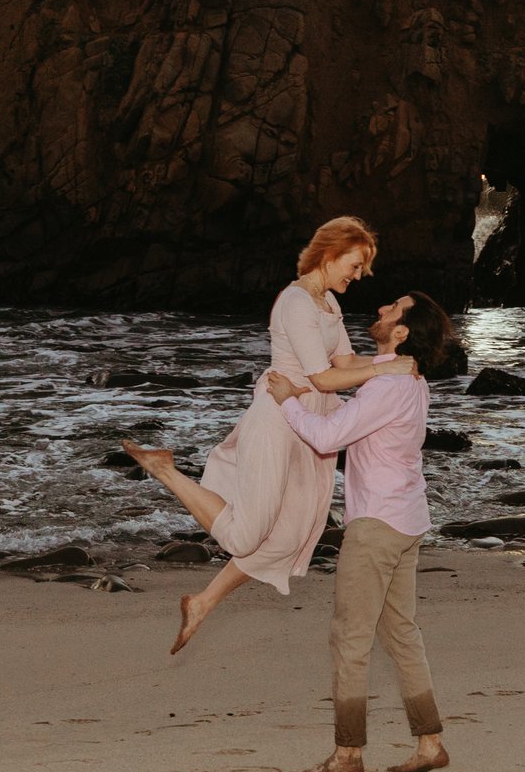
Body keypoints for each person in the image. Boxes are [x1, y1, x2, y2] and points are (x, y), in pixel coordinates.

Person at [123, 217, 413, 654]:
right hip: (279, 416)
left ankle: (201, 602)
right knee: (244, 537)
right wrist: (387, 368)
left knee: (288, 534)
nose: (357, 277)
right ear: (330, 254)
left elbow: (346, 360)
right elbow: (321, 376)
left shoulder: (328, 303)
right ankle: (165, 470)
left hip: (309, 421)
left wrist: (397, 363)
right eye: (353, 266)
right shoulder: (296, 302)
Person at [268, 290, 463, 772]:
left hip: (377, 524)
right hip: (407, 518)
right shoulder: (408, 380)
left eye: (392, 309)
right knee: (401, 632)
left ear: (401, 333)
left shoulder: (388, 386)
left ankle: (348, 754)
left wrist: (289, 402)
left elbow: (329, 437)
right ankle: (430, 742)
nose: (380, 309)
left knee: (350, 637)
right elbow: (345, 374)